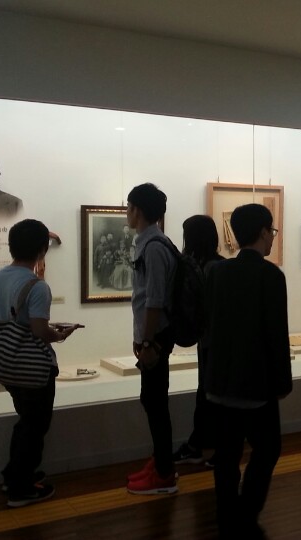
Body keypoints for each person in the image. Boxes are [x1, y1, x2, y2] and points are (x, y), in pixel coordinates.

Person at [203, 203, 292, 538]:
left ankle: (227, 516)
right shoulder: (271, 276)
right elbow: (275, 334)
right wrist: (282, 382)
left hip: (220, 381)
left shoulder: (217, 272)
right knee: (267, 450)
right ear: (263, 232)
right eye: (272, 231)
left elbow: (209, 327)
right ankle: (247, 513)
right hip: (257, 383)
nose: (272, 237)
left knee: (226, 456)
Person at [0, 219, 78, 507]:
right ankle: (21, 487)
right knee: (35, 425)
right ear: (41, 250)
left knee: (27, 421)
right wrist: (60, 334)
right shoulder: (37, 286)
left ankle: (15, 474)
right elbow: (39, 331)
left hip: (6, 363)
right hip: (33, 366)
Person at [125, 183, 178, 496]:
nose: (127, 213)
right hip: (152, 336)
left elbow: (154, 300)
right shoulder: (150, 243)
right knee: (152, 400)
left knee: (156, 403)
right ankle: (161, 462)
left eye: (129, 207)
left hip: (156, 338)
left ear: (138, 210)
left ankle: (165, 474)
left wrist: (147, 343)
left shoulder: (155, 247)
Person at [173, 215, 225, 468]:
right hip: (213, 339)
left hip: (212, 340)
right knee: (208, 393)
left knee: (209, 393)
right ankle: (203, 445)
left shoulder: (207, 267)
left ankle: (207, 447)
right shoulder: (215, 265)